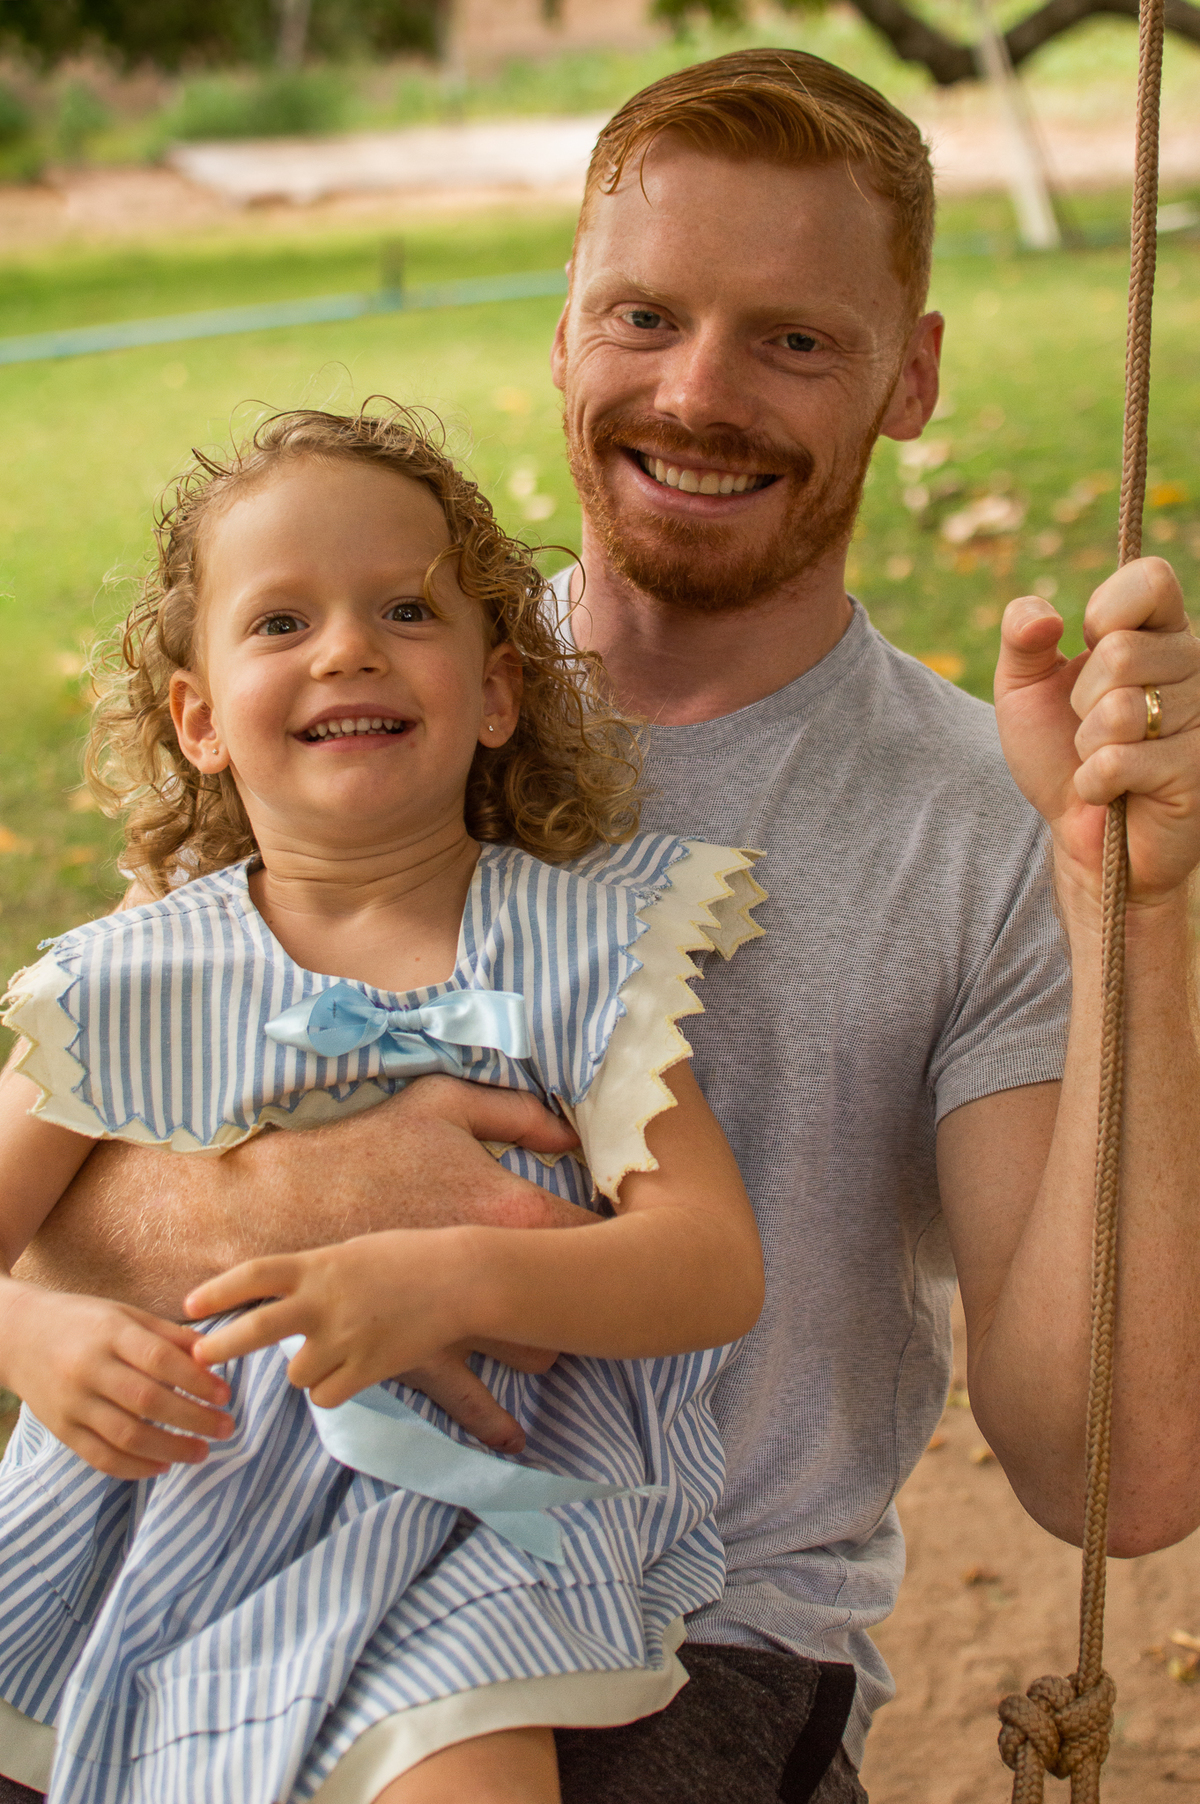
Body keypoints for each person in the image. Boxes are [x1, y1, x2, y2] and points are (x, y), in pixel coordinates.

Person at [9, 45, 1200, 1804]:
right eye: (644, 317)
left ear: (912, 376)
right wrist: (301, 1203)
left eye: (794, 337)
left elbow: (1115, 1479)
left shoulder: (988, 820)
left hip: (682, 1621)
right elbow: (73, 1144)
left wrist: (1130, 913)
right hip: (206, 1539)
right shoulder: (341, 703)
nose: (699, 394)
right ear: (564, 332)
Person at [0, 405, 769, 1804]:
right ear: (198, 718)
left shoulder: (583, 949)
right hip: (163, 1510)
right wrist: (32, 1334)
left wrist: (458, 1278)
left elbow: (713, 1264)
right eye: (280, 623)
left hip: (474, 1519)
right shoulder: (123, 984)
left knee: (462, 1770)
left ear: (496, 693)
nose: (346, 647)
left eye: (405, 610)